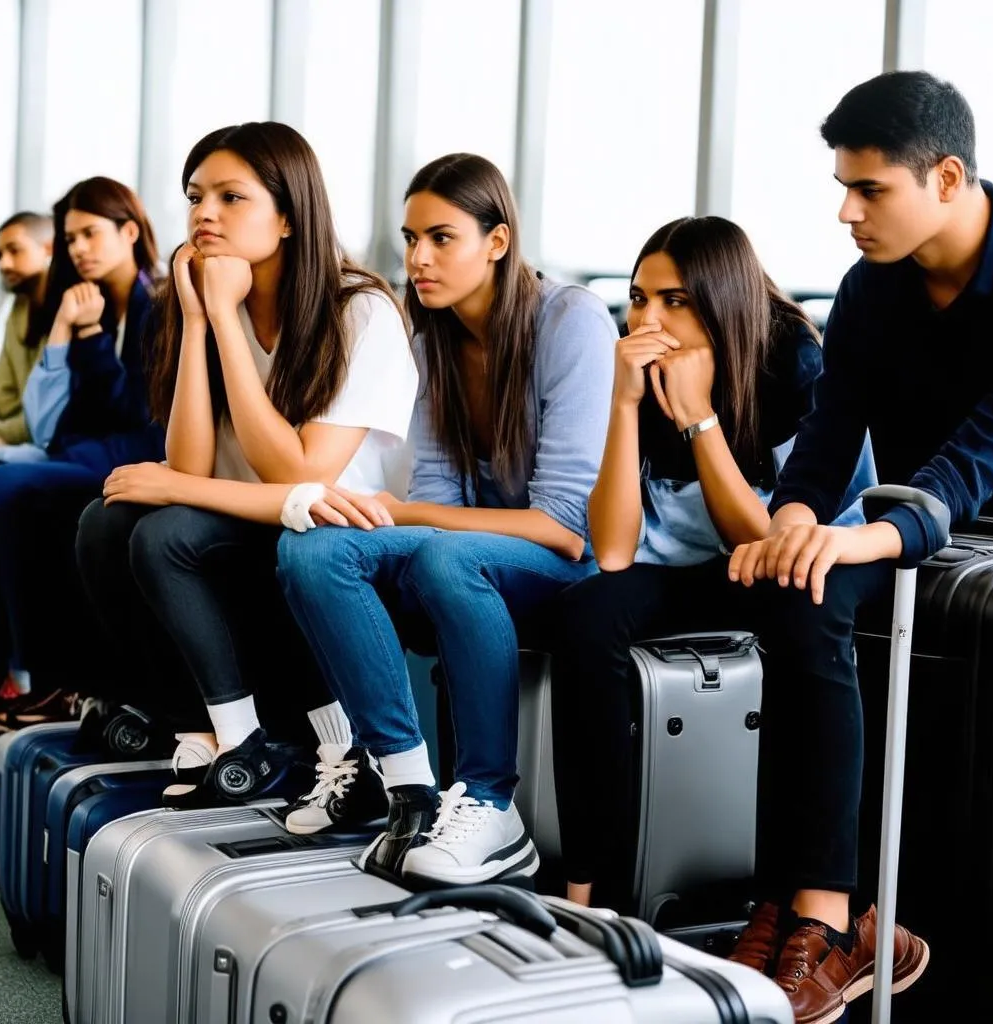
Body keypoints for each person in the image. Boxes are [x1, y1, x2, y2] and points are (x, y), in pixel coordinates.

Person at [723, 71, 993, 1022]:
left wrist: (865, 537)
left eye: (870, 189)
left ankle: (833, 924)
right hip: (919, 517)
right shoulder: (870, 288)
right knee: (792, 586)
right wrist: (798, 518)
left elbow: (976, 464)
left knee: (829, 578)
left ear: (950, 177)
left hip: (973, 522)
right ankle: (809, 907)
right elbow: (829, 435)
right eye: (843, 185)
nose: (846, 211)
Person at [275, 153, 617, 885]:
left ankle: (492, 804)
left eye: (441, 238)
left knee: (441, 556)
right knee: (312, 548)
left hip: (561, 566)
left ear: (497, 242)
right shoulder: (430, 342)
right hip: (466, 556)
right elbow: (439, 496)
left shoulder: (573, 320)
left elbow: (564, 525)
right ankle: (406, 786)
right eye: (410, 239)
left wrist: (398, 513)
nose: (418, 258)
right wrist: (383, 518)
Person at [76, 122, 418, 804]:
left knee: (166, 532)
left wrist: (226, 319)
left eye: (231, 198)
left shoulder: (360, 311)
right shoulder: (205, 301)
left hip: (329, 531)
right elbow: (192, 460)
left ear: (288, 217)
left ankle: (246, 742)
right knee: (105, 522)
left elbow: (300, 476)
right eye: (195, 196)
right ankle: (205, 725)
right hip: (244, 517)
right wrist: (201, 320)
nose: (204, 213)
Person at [548, 215, 872, 915]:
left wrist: (699, 419)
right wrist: (624, 404)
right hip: (703, 567)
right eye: (638, 298)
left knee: (799, 618)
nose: (647, 319)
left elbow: (765, 541)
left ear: (720, 300)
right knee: (585, 613)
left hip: (803, 560)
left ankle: (797, 901)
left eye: (673, 301)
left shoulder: (791, 359)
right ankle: (589, 888)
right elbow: (611, 550)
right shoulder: (642, 368)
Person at [0, 178, 163, 723]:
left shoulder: (155, 304)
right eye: (70, 238)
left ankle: (31, 673)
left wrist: (83, 336)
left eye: (90, 233)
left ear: (129, 231)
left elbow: (134, 410)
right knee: (1, 479)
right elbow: (49, 421)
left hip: (136, 453)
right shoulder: (91, 306)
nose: (79, 249)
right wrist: (68, 327)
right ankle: (12, 665)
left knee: (3, 486)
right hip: (86, 449)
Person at [0, 212, 53, 448]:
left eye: (14, 250)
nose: (3, 263)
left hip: (42, 442)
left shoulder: (68, 309)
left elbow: (47, 411)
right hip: (8, 432)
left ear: (48, 249)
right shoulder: (19, 306)